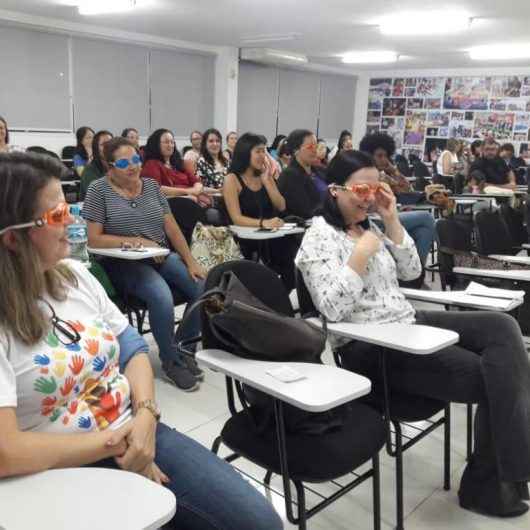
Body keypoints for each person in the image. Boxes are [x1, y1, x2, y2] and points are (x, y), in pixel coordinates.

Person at [0, 151, 283, 530]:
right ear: (13, 240)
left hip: (135, 425)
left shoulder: (73, 276)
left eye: (69, 208)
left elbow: (132, 347)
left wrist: (146, 416)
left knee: (260, 522)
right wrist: (118, 444)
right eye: (56, 216)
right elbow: (6, 451)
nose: (72, 220)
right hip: (58, 464)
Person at [296, 149, 530, 519]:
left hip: (407, 321)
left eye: (375, 189)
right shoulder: (318, 237)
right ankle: (492, 482)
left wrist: (390, 219)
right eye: (360, 189)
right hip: (371, 347)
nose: (368, 197)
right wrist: (358, 257)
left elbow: (411, 272)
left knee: (503, 328)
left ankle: (508, 471)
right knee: (496, 377)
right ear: (335, 191)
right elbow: (331, 309)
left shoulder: (370, 225)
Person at [83, 138, 206, 392]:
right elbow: (94, 238)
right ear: (110, 165)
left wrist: (190, 260)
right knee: (160, 295)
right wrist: (136, 241)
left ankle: (183, 348)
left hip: (159, 255)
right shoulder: (98, 190)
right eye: (124, 162)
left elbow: (171, 227)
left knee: (202, 286)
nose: (133, 167)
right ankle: (171, 361)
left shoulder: (151, 186)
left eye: (136, 160)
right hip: (121, 263)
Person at [223, 133, 298, 291]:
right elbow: (236, 218)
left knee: (290, 245)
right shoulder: (232, 179)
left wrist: (267, 181)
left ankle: (285, 292)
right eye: (258, 151)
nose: (263, 156)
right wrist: (264, 223)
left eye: (264, 151)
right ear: (245, 152)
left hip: (270, 237)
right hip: (245, 239)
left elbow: (281, 206)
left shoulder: (265, 176)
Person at [359, 132, 435, 268]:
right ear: (369, 155)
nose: (384, 160)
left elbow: (408, 189)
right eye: (379, 156)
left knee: (422, 232)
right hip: (374, 221)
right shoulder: (365, 175)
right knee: (427, 218)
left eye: (386, 156)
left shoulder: (383, 174)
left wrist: (394, 171)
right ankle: (416, 275)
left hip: (389, 216)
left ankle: (413, 275)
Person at [141, 129, 212, 206]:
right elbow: (156, 188)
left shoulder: (178, 164)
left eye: (172, 142)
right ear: (156, 144)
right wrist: (188, 191)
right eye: (166, 142)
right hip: (171, 202)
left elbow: (196, 181)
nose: (170, 145)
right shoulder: (152, 164)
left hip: (190, 198)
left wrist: (196, 189)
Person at [277, 129, 322, 219]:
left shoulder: (319, 171)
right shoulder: (290, 175)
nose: (315, 150)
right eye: (310, 147)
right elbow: (304, 210)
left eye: (316, 146)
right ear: (296, 150)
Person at [80, 130, 113, 200]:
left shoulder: (117, 166)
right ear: (96, 148)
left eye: (111, 143)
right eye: (103, 144)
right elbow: (98, 195)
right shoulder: (89, 170)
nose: (108, 146)